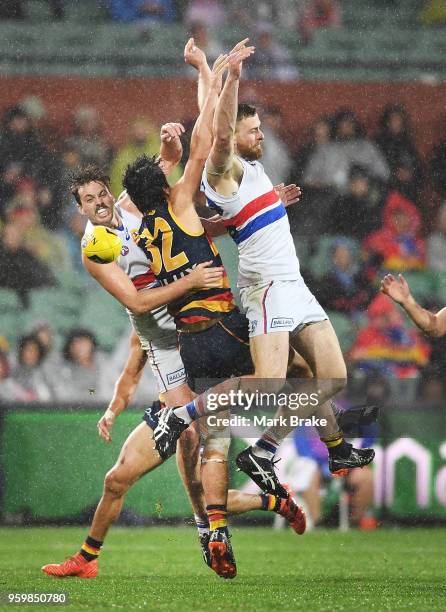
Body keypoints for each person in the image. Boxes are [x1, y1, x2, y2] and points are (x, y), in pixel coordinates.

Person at [152, 44, 374, 502]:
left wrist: (202, 71)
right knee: (271, 384)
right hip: (267, 288)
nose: (262, 137)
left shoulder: (251, 173)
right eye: (252, 131)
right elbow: (217, 126)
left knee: (331, 378)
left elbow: (210, 115)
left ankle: (287, 450)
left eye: (260, 130)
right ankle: (182, 416)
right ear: (232, 135)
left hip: (294, 285)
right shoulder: (223, 170)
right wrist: (230, 78)